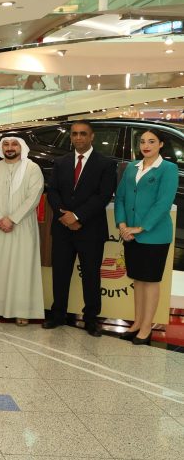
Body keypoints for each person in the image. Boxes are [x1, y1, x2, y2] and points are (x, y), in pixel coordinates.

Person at [44, 121, 117, 336]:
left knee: (91, 276)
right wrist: (64, 216)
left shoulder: (105, 164)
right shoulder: (61, 162)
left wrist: (77, 216)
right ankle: (58, 315)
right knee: (60, 274)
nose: (78, 137)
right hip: (62, 228)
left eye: (83, 134)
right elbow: (52, 191)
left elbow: (103, 196)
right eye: (75, 134)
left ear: (92, 136)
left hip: (91, 229)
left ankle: (91, 320)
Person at [114, 129, 177, 345]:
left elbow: (163, 203)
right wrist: (123, 224)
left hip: (154, 235)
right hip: (130, 234)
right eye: (142, 142)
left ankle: (147, 326)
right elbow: (120, 197)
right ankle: (137, 322)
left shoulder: (168, 168)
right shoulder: (132, 167)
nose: (146, 146)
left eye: (151, 141)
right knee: (138, 280)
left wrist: (140, 228)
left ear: (161, 144)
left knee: (150, 281)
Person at [0, 137, 45, 325]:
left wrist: (13, 218)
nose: (10, 148)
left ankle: (22, 311)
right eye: (6, 144)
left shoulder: (32, 168)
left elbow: (34, 196)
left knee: (22, 268)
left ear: (21, 147)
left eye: (14, 144)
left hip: (22, 225)